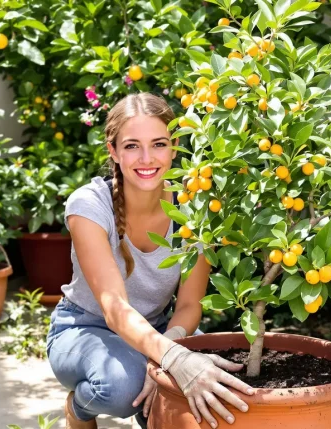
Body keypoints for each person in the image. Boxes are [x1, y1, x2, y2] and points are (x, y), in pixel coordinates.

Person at [46, 93, 253, 429]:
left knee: (211, 385)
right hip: (86, 327)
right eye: (131, 146)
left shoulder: (194, 207)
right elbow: (114, 309)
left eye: (158, 144)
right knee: (121, 388)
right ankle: (79, 410)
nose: (146, 158)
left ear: (174, 147)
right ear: (113, 150)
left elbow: (188, 305)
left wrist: (165, 358)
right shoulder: (89, 205)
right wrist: (170, 358)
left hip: (160, 327)